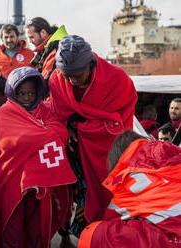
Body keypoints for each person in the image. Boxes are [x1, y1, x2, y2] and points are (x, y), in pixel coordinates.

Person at [49, 35, 137, 236]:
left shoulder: (117, 80)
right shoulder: (56, 79)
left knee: (106, 192)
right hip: (75, 152)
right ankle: (84, 232)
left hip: (107, 152)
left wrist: (79, 127)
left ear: (91, 64)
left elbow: (118, 123)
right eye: (67, 75)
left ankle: (103, 233)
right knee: (80, 194)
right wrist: (67, 128)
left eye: (77, 75)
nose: (71, 80)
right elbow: (57, 112)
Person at [0, 66, 76, 247]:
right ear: (13, 92)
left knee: (38, 227)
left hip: (41, 183)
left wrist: (38, 135)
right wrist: (44, 134)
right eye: (22, 94)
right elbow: (11, 142)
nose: (27, 98)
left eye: (31, 93)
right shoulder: (5, 112)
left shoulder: (46, 109)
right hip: (13, 180)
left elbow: (61, 133)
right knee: (13, 227)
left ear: (38, 92)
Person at [78, 130, 181, 248]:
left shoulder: (128, 176)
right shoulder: (170, 154)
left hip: (173, 238)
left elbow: (112, 217)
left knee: (93, 234)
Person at [25, 17, 67, 82]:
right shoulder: (46, 49)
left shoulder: (55, 49)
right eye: (28, 38)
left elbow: (46, 80)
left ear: (43, 33)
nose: (30, 41)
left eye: (32, 37)